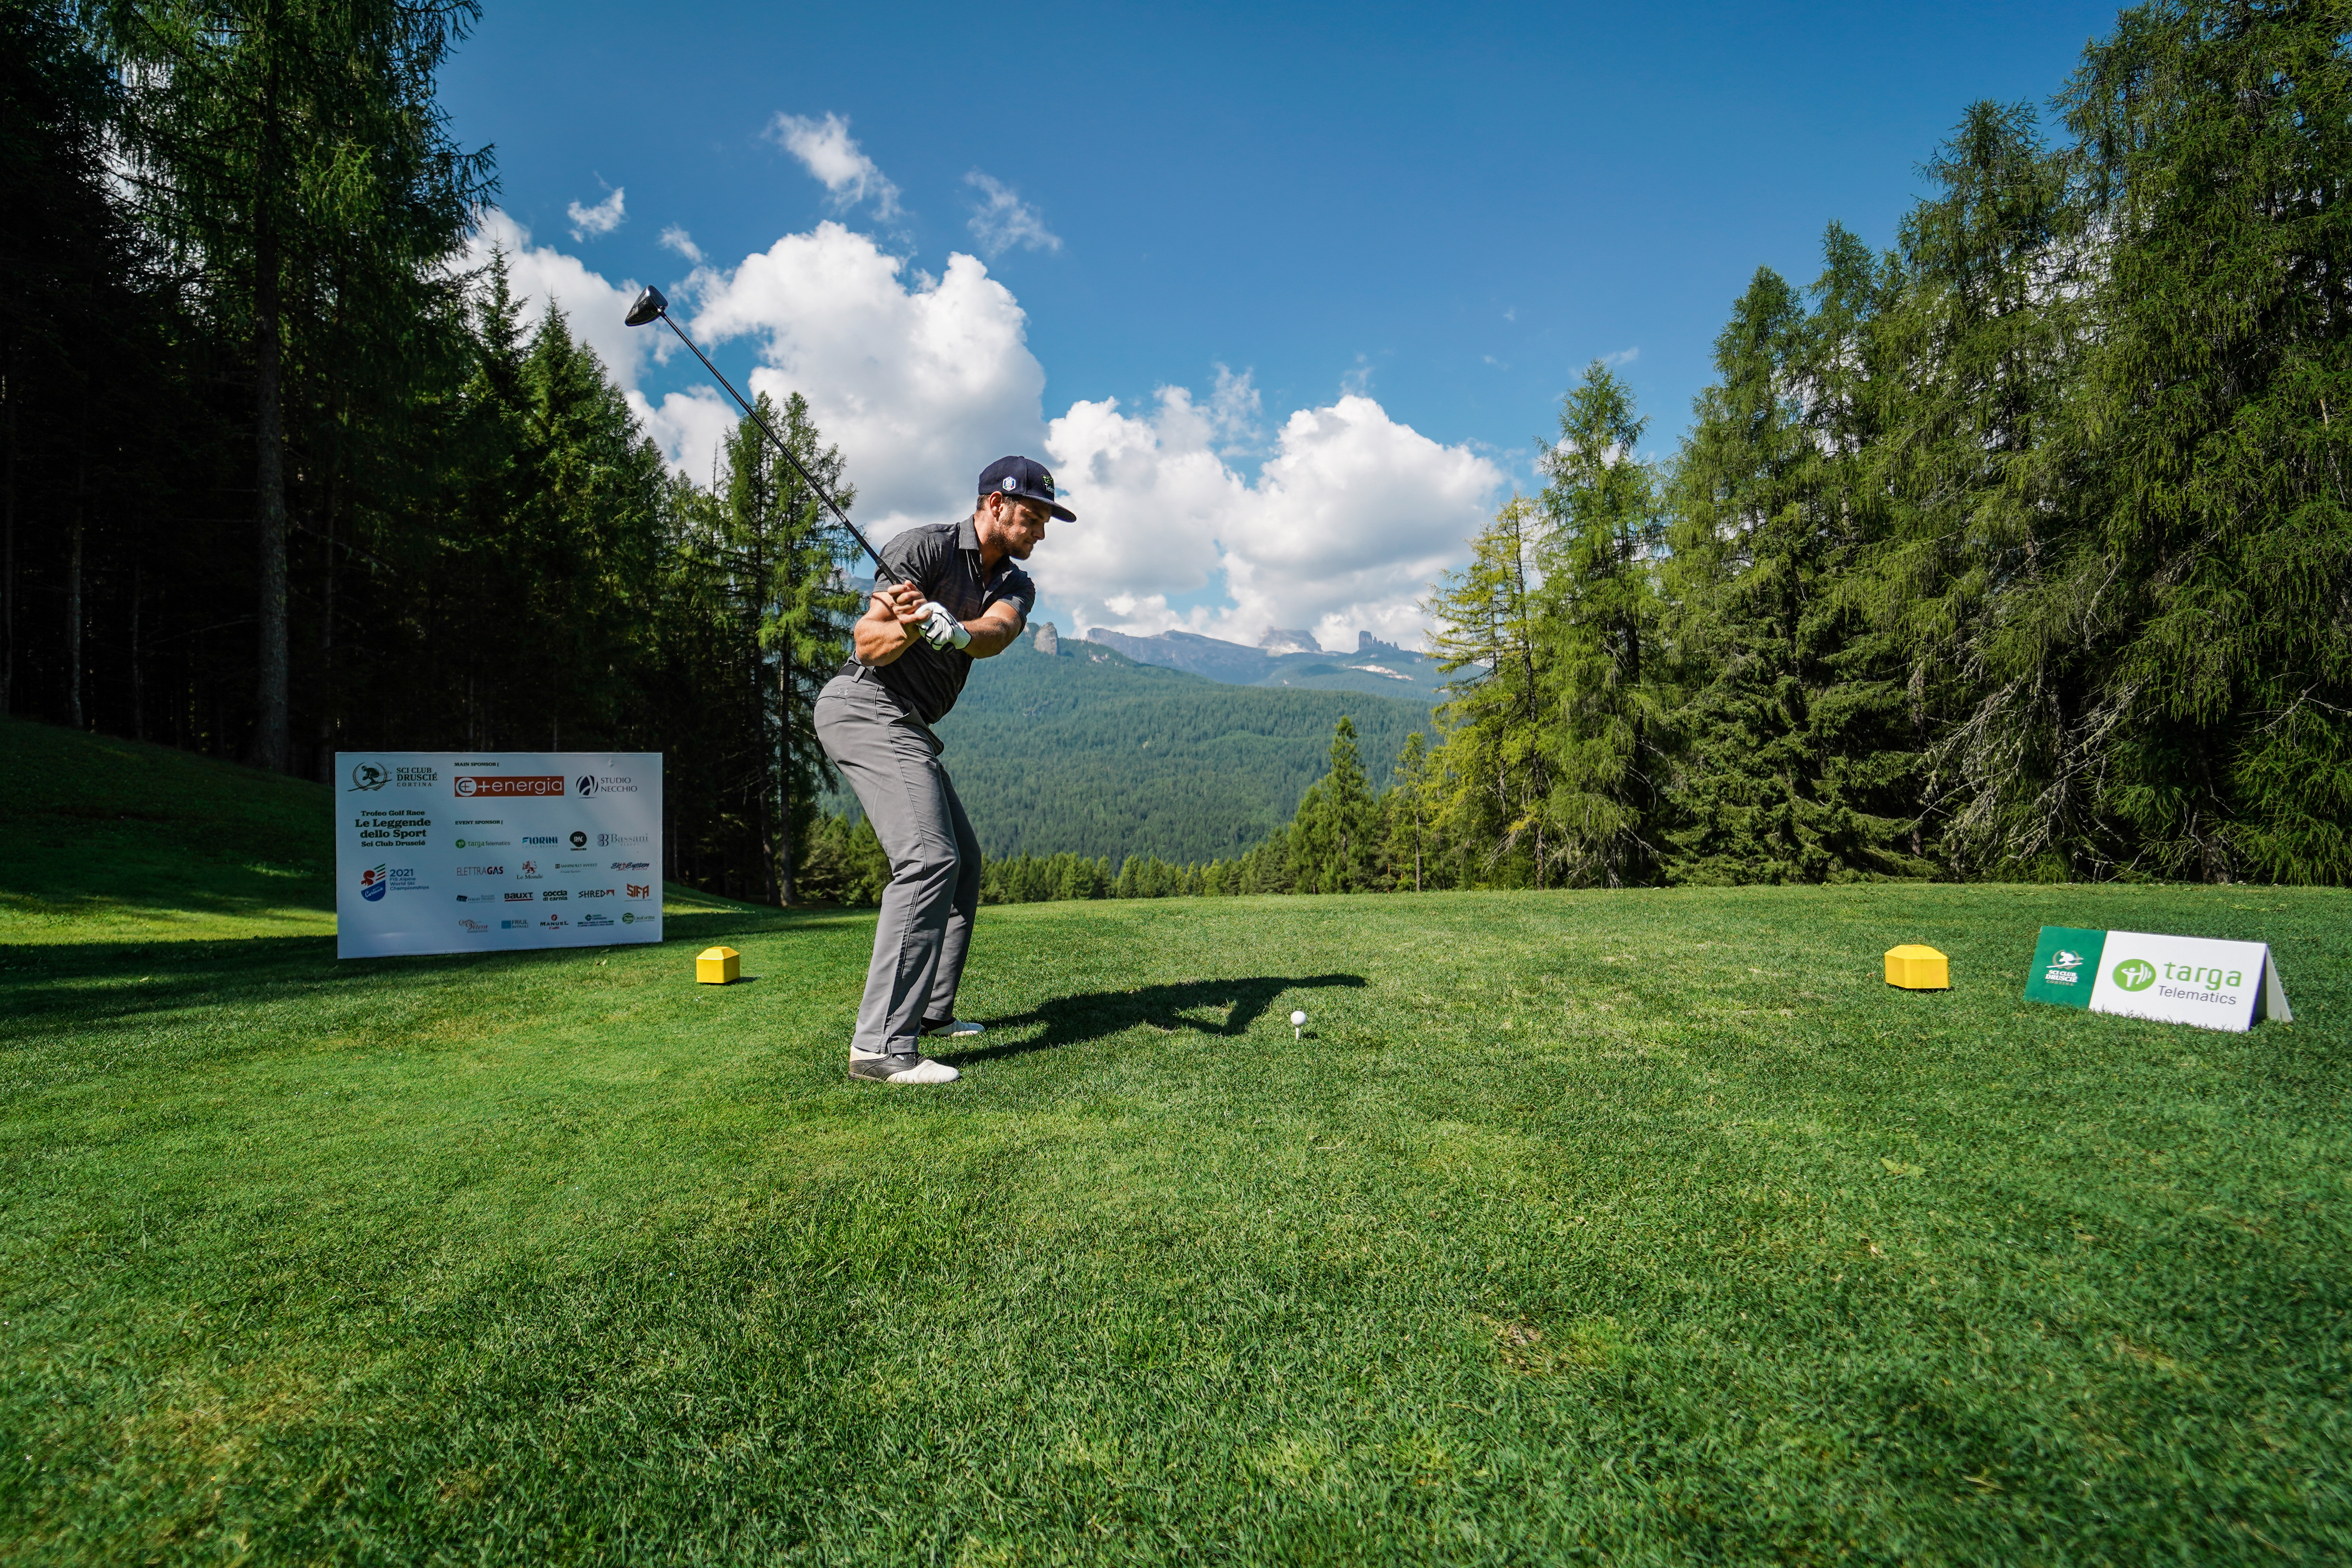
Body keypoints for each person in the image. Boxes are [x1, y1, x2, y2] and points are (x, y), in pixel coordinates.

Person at [813, 455, 1067, 1084]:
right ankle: (878, 1047)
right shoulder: (921, 548)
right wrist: (906, 622)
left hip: (911, 722)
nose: (1040, 532)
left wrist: (955, 632)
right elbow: (867, 646)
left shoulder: (1015, 582)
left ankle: (931, 1014)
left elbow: (999, 631)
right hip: (864, 705)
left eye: (1045, 522)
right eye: (1032, 518)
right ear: (994, 505)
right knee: (929, 859)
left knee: (964, 864)